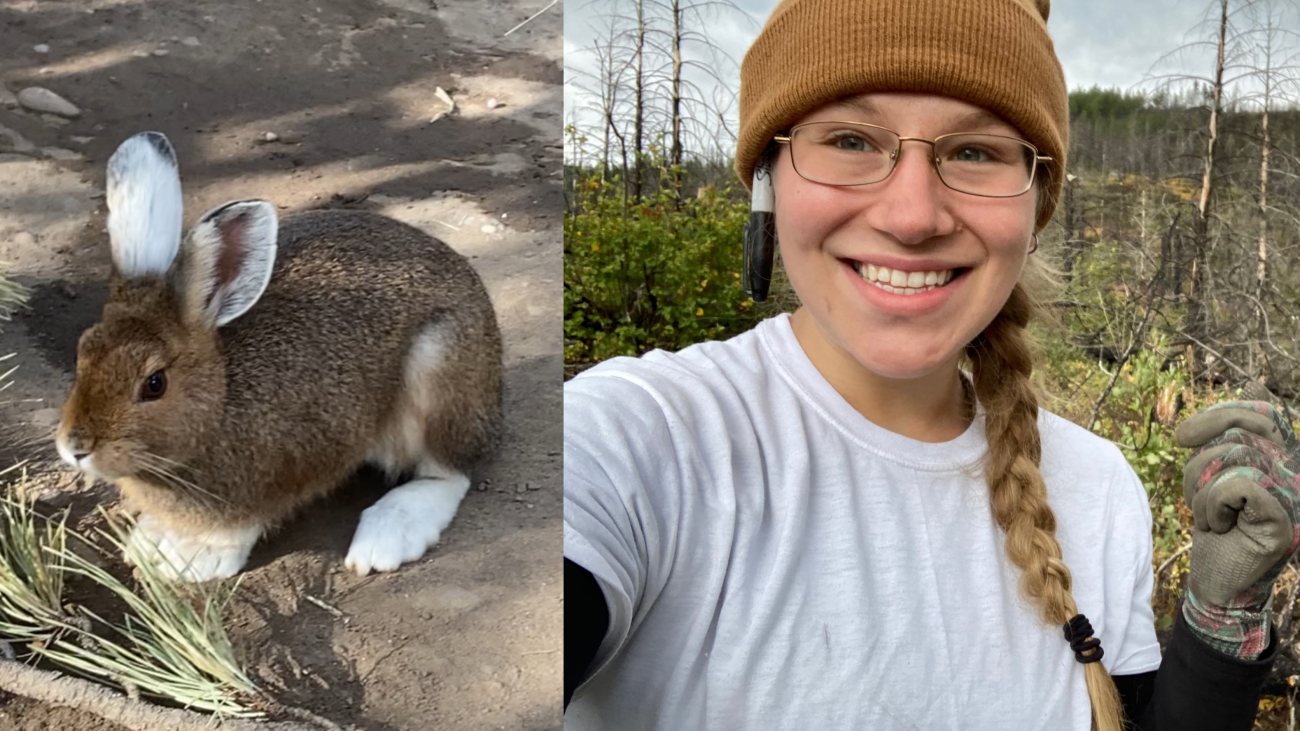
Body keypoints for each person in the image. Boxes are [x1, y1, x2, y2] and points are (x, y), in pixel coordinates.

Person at [563, 0, 1290, 728]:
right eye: (850, 139)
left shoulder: (1098, 488)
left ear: (1035, 210)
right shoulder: (633, 442)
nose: (912, 216)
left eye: (974, 152)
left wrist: (1221, 623)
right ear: (767, 180)